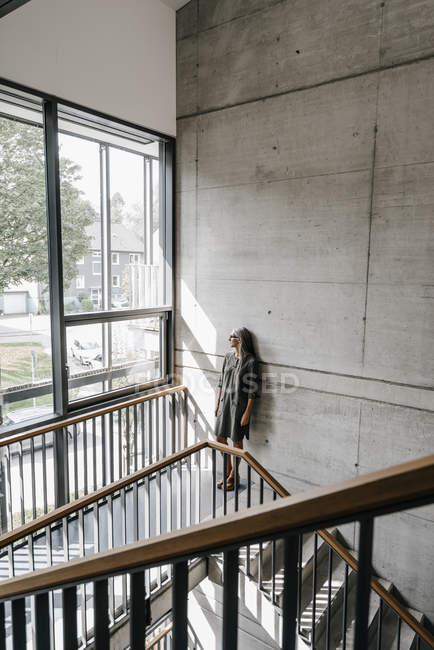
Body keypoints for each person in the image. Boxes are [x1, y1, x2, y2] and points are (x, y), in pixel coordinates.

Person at [214, 327, 260, 490]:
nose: (229, 339)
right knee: (220, 438)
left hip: (239, 406)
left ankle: (234, 475)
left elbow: (253, 390)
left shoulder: (251, 361)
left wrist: (247, 412)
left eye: (231, 336)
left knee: (236, 442)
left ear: (240, 339)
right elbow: (220, 381)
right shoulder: (227, 357)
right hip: (225, 403)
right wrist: (217, 403)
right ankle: (228, 470)